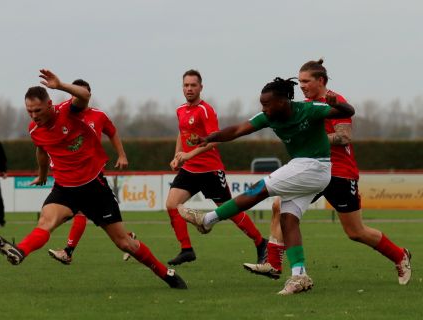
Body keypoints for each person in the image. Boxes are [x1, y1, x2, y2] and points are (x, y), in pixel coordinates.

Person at [0, 69, 187, 289]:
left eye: (37, 110)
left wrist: (61, 84)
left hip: (94, 188)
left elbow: (84, 95)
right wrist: (42, 175)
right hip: (65, 189)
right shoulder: (34, 129)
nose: (34, 116)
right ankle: (20, 251)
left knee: (125, 243)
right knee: (45, 222)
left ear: (49, 104)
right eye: (29, 111)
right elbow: (42, 151)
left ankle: (165, 273)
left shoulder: (69, 111)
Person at [179, 77, 355, 295]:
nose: (264, 108)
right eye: (262, 104)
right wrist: (209, 138)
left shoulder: (310, 109)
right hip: (306, 170)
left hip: (316, 166)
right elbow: (236, 130)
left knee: (260, 189)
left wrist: (335, 102)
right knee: (288, 220)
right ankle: (300, 275)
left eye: (267, 104)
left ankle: (207, 220)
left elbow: (348, 111)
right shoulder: (269, 116)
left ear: (282, 101)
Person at [243, 59, 412, 285]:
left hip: (340, 173)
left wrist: (313, 142)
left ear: (320, 81)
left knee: (356, 232)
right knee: (278, 205)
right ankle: (273, 263)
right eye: (300, 81)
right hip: (314, 170)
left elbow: (344, 137)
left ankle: (399, 255)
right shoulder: (304, 105)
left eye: (306, 81)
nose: (301, 85)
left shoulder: (336, 102)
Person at [166, 69, 268, 265]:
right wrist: (178, 156)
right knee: (171, 205)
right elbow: (182, 132)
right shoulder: (180, 110)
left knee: (230, 210)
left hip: (210, 171)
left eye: (193, 85)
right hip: (189, 169)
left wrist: (189, 154)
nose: (189, 89)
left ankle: (260, 242)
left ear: (200, 87)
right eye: (186, 85)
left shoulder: (206, 110)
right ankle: (186, 249)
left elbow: (215, 141)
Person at [45, 78, 131, 265]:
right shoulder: (64, 117)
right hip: (72, 176)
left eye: (82, 92)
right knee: (86, 216)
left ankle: (68, 252)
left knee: (82, 214)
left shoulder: (98, 116)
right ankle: (128, 238)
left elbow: (113, 132)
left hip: (92, 176)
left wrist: (122, 155)